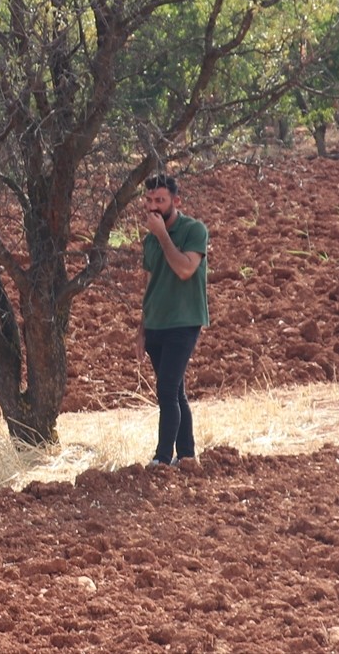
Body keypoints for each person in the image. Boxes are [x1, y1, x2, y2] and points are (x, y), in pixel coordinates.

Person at [135, 173, 209, 468]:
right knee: (175, 390)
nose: (154, 206)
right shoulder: (149, 241)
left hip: (184, 321)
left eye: (160, 200)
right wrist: (141, 330)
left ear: (175, 201)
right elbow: (149, 284)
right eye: (149, 200)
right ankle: (187, 455)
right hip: (156, 324)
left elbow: (185, 269)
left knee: (166, 389)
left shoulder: (194, 231)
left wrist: (163, 235)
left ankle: (162, 458)